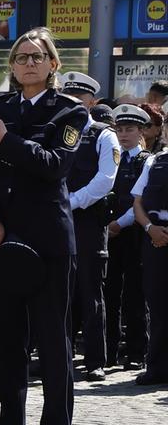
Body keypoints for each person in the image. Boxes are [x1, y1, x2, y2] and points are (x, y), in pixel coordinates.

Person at [0, 28, 87, 425]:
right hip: (3, 240)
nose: (29, 63)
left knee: (54, 341)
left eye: (38, 56)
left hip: (49, 241)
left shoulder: (69, 113)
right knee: (6, 338)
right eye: (21, 57)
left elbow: (55, 167)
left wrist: (8, 141)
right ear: (12, 68)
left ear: (53, 64)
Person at [57, 72, 119, 380]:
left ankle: (95, 360)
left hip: (87, 223)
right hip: (55, 222)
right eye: (69, 98)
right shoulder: (56, 132)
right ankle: (58, 359)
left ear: (92, 102)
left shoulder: (104, 135)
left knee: (91, 294)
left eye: (80, 99)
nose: (74, 104)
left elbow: (106, 180)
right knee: (57, 294)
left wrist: (71, 201)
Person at [106, 102, 155, 371]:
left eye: (130, 129)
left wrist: (118, 224)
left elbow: (142, 200)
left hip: (134, 234)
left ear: (141, 133)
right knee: (109, 293)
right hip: (110, 235)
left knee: (135, 295)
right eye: (120, 129)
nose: (124, 135)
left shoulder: (145, 161)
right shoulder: (110, 157)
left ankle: (137, 351)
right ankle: (109, 349)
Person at [130, 108, 168, 384]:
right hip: (155, 238)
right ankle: (156, 366)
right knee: (157, 304)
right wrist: (149, 228)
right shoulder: (155, 161)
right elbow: (138, 203)